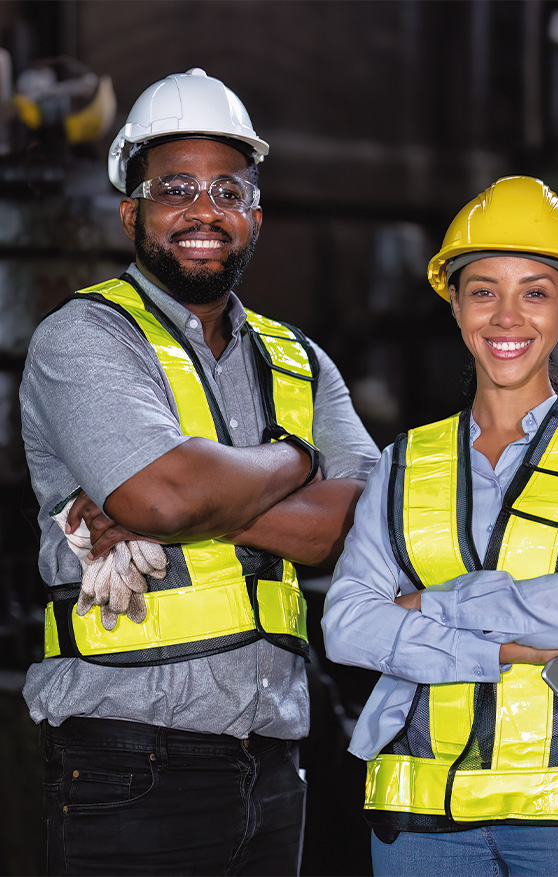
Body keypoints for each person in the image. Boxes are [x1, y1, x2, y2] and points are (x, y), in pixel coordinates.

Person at [20, 68, 379, 876]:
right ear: (132, 212)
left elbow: (355, 522)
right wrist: (298, 458)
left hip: (275, 757)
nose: (203, 210)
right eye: (175, 188)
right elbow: (163, 492)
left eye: (227, 191)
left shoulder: (300, 361)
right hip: (127, 760)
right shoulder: (85, 338)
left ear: (254, 216)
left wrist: (179, 502)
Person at [322, 175, 558, 877]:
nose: (506, 317)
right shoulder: (404, 459)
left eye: (535, 292)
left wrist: (425, 604)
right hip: (421, 818)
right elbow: (346, 626)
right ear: (456, 303)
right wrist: (517, 649)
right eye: (484, 291)